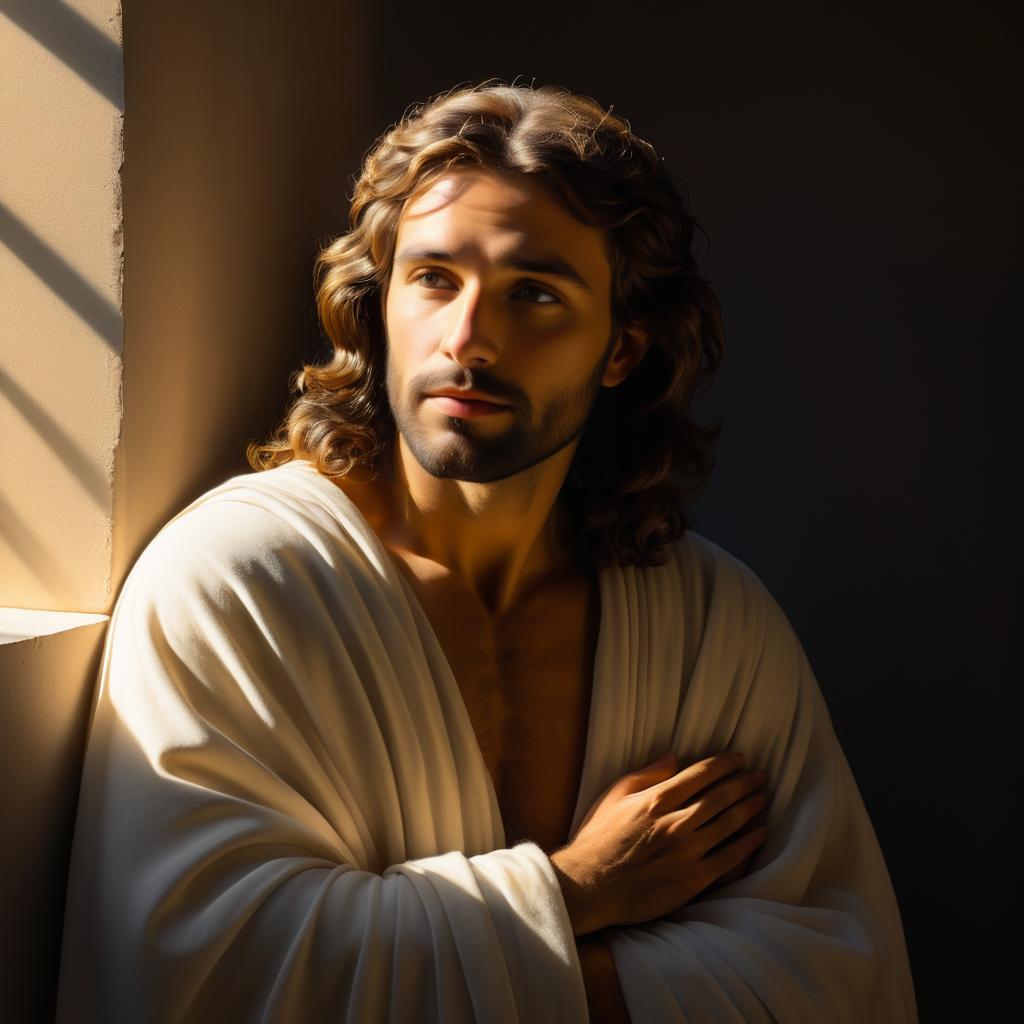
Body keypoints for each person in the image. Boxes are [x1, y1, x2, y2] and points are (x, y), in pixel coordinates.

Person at [56, 80, 917, 1022]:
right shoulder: (235, 581)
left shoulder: (713, 623)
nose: (467, 339)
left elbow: (833, 970)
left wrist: (536, 968)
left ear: (620, 350)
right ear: (381, 298)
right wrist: (579, 893)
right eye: (433, 278)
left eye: (535, 293)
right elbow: (205, 968)